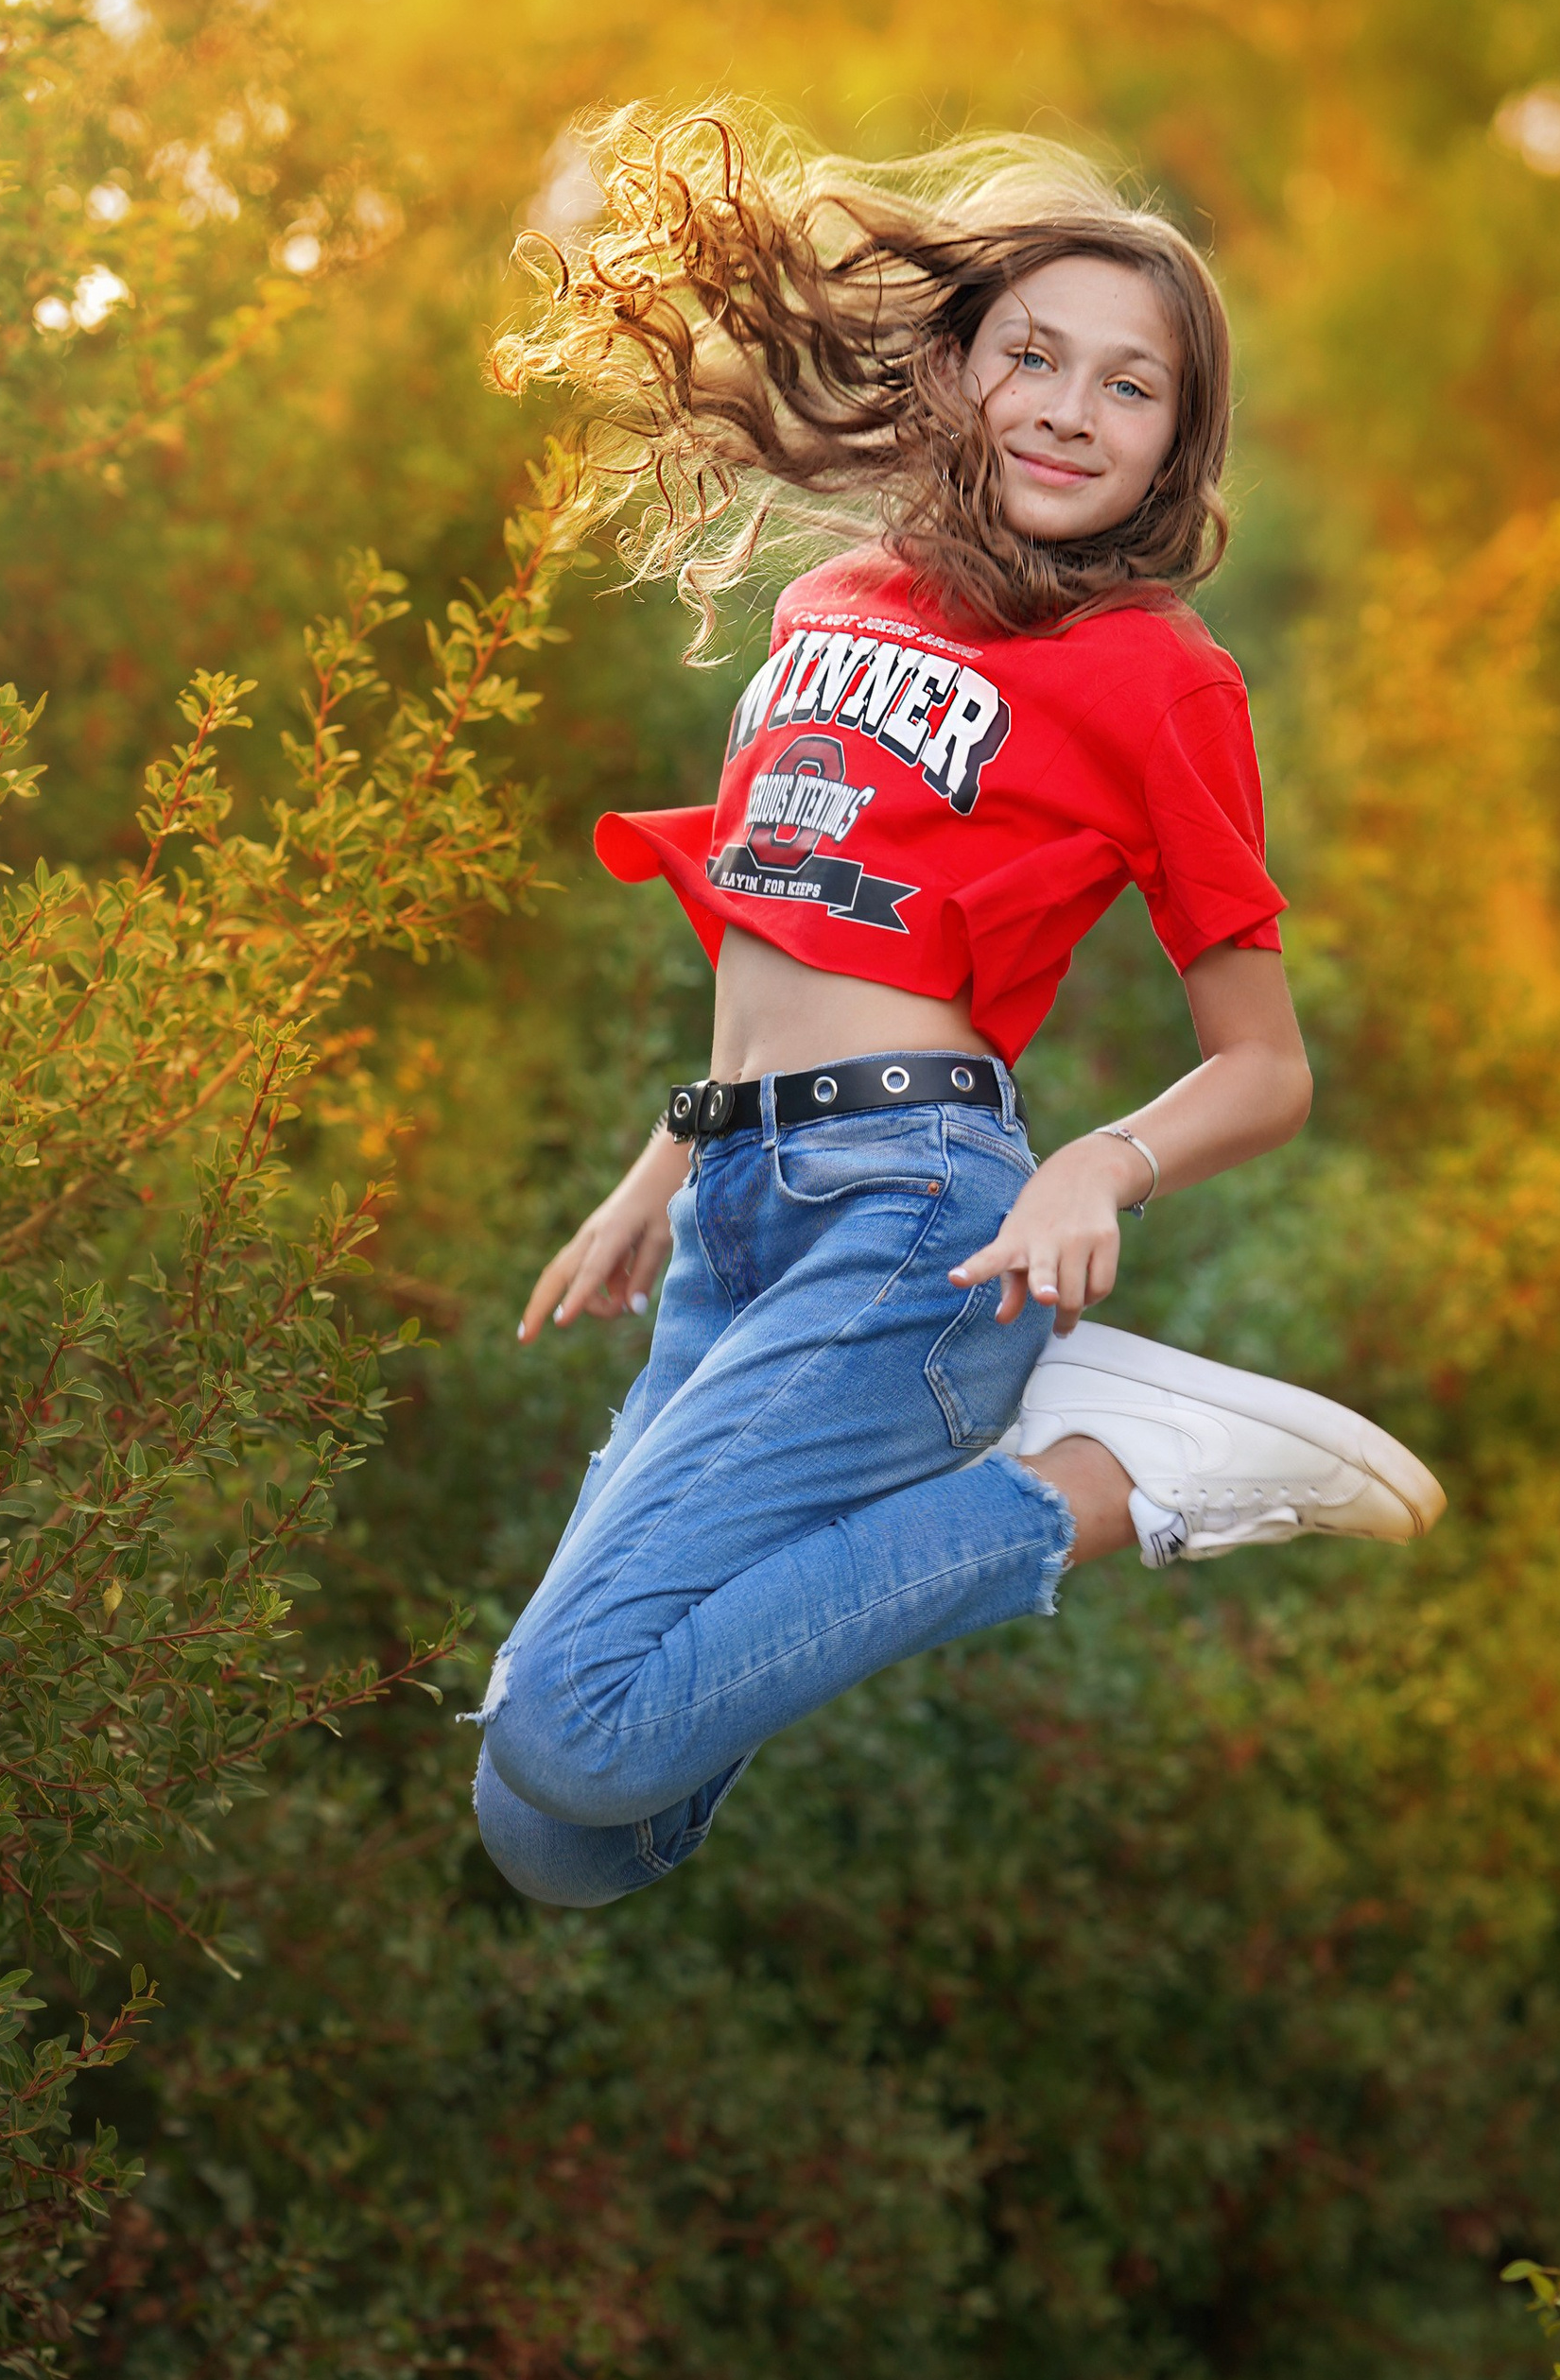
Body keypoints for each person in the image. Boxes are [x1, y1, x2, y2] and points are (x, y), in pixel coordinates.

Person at [474, 113, 1442, 1910]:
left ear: (1176, 445)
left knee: (576, 1735)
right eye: (1036, 358)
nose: (1074, 409)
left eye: (1132, 386)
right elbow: (782, 921)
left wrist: (1096, 1166)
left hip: (910, 1204)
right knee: (557, 1840)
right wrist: (663, 1170)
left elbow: (1266, 1068)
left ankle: (1104, 1479)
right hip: (740, 1213)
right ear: (958, 374)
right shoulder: (829, 599)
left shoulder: (1159, 674)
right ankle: (973, 1416)